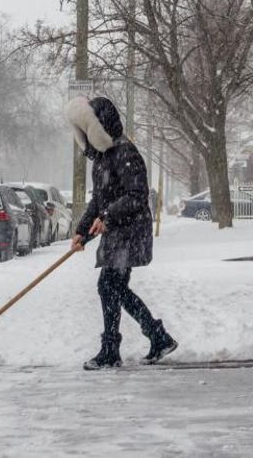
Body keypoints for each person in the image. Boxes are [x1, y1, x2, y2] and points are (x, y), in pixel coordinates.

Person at [65, 96, 177, 370]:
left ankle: (115, 348)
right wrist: (82, 230)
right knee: (113, 288)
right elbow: (98, 200)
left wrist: (108, 216)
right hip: (117, 231)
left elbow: (137, 195)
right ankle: (154, 337)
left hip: (130, 231)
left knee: (109, 287)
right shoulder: (103, 158)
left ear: (98, 127)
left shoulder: (126, 153)